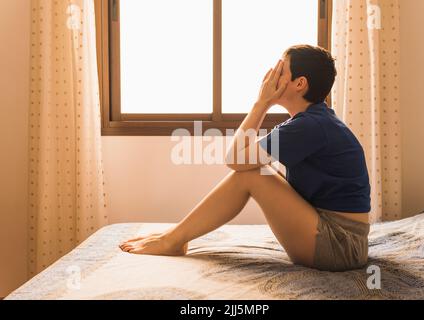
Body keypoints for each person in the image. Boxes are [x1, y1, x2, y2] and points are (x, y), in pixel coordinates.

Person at [119, 44, 371, 272]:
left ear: (299, 83)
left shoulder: (310, 126)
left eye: (281, 70)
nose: (271, 75)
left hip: (341, 246)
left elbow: (235, 160)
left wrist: (261, 103)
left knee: (252, 175)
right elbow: (240, 158)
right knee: (257, 171)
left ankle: (172, 240)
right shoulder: (311, 121)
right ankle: (175, 237)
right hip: (339, 239)